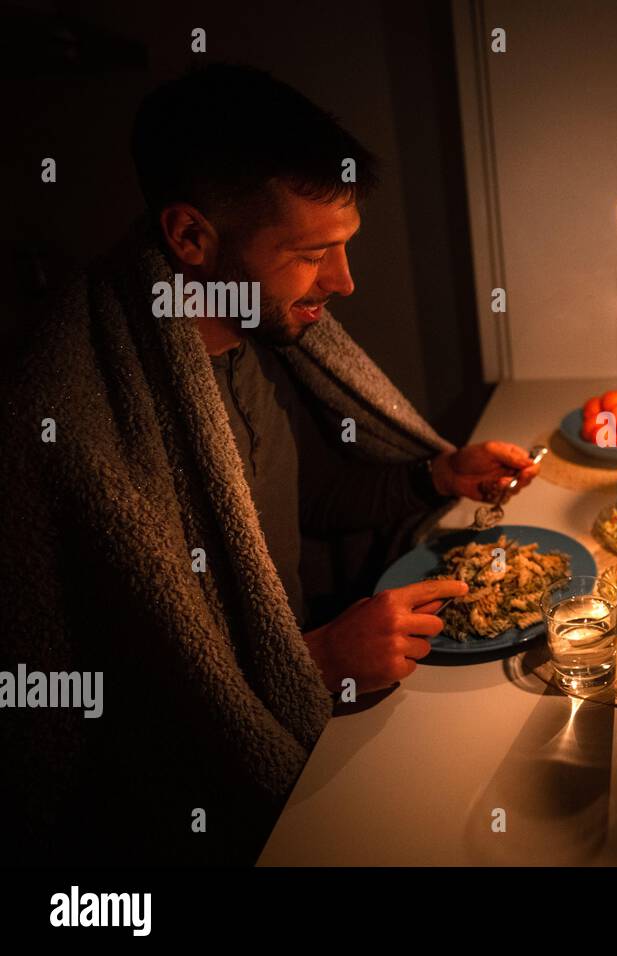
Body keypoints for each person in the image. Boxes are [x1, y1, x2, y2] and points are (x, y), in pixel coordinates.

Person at [0, 64, 538, 864]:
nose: (344, 283)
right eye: (313, 253)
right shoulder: (61, 419)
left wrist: (436, 477)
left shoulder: (242, 347)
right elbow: (73, 723)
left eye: (345, 247)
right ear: (190, 237)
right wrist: (313, 662)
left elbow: (306, 507)